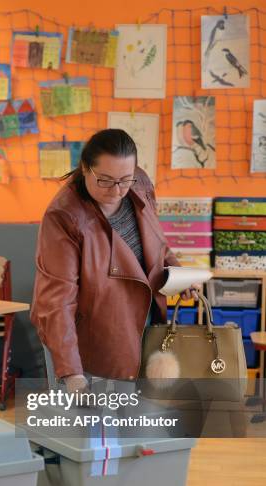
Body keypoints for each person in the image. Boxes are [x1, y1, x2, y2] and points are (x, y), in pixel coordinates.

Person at [31, 129, 198, 393]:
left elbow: (157, 245)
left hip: (144, 325)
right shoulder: (64, 217)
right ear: (85, 168)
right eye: (105, 180)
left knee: (137, 422)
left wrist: (176, 274)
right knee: (94, 429)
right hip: (90, 342)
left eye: (124, 179)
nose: (117, 190)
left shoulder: (140, 185)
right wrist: (72, 372)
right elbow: (55, 301)